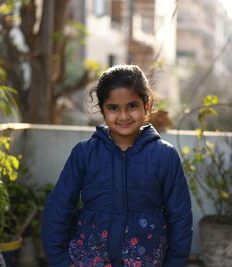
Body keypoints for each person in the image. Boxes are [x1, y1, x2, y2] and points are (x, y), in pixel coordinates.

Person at [42, 65, 193, 267]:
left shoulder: (165, 156)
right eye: (113, 108)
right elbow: (57, 208)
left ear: (146, 106)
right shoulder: (85, 153)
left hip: (147, 260)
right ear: (102, 110)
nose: (123, 116)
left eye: (132, 106)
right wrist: (61, 261)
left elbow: (180, 218)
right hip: (88, 259)